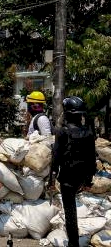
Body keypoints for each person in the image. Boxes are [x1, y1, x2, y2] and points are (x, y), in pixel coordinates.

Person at [49, 96, 97, 247]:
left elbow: (56, 157)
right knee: (72, 210)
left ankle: (73, 243)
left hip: (68, 178)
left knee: (70, 212)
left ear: (67, 113)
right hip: (82, 177)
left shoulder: (62, 132)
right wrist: (88, 180)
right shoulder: (88, 132)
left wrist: (51, 178)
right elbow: (91, 157)